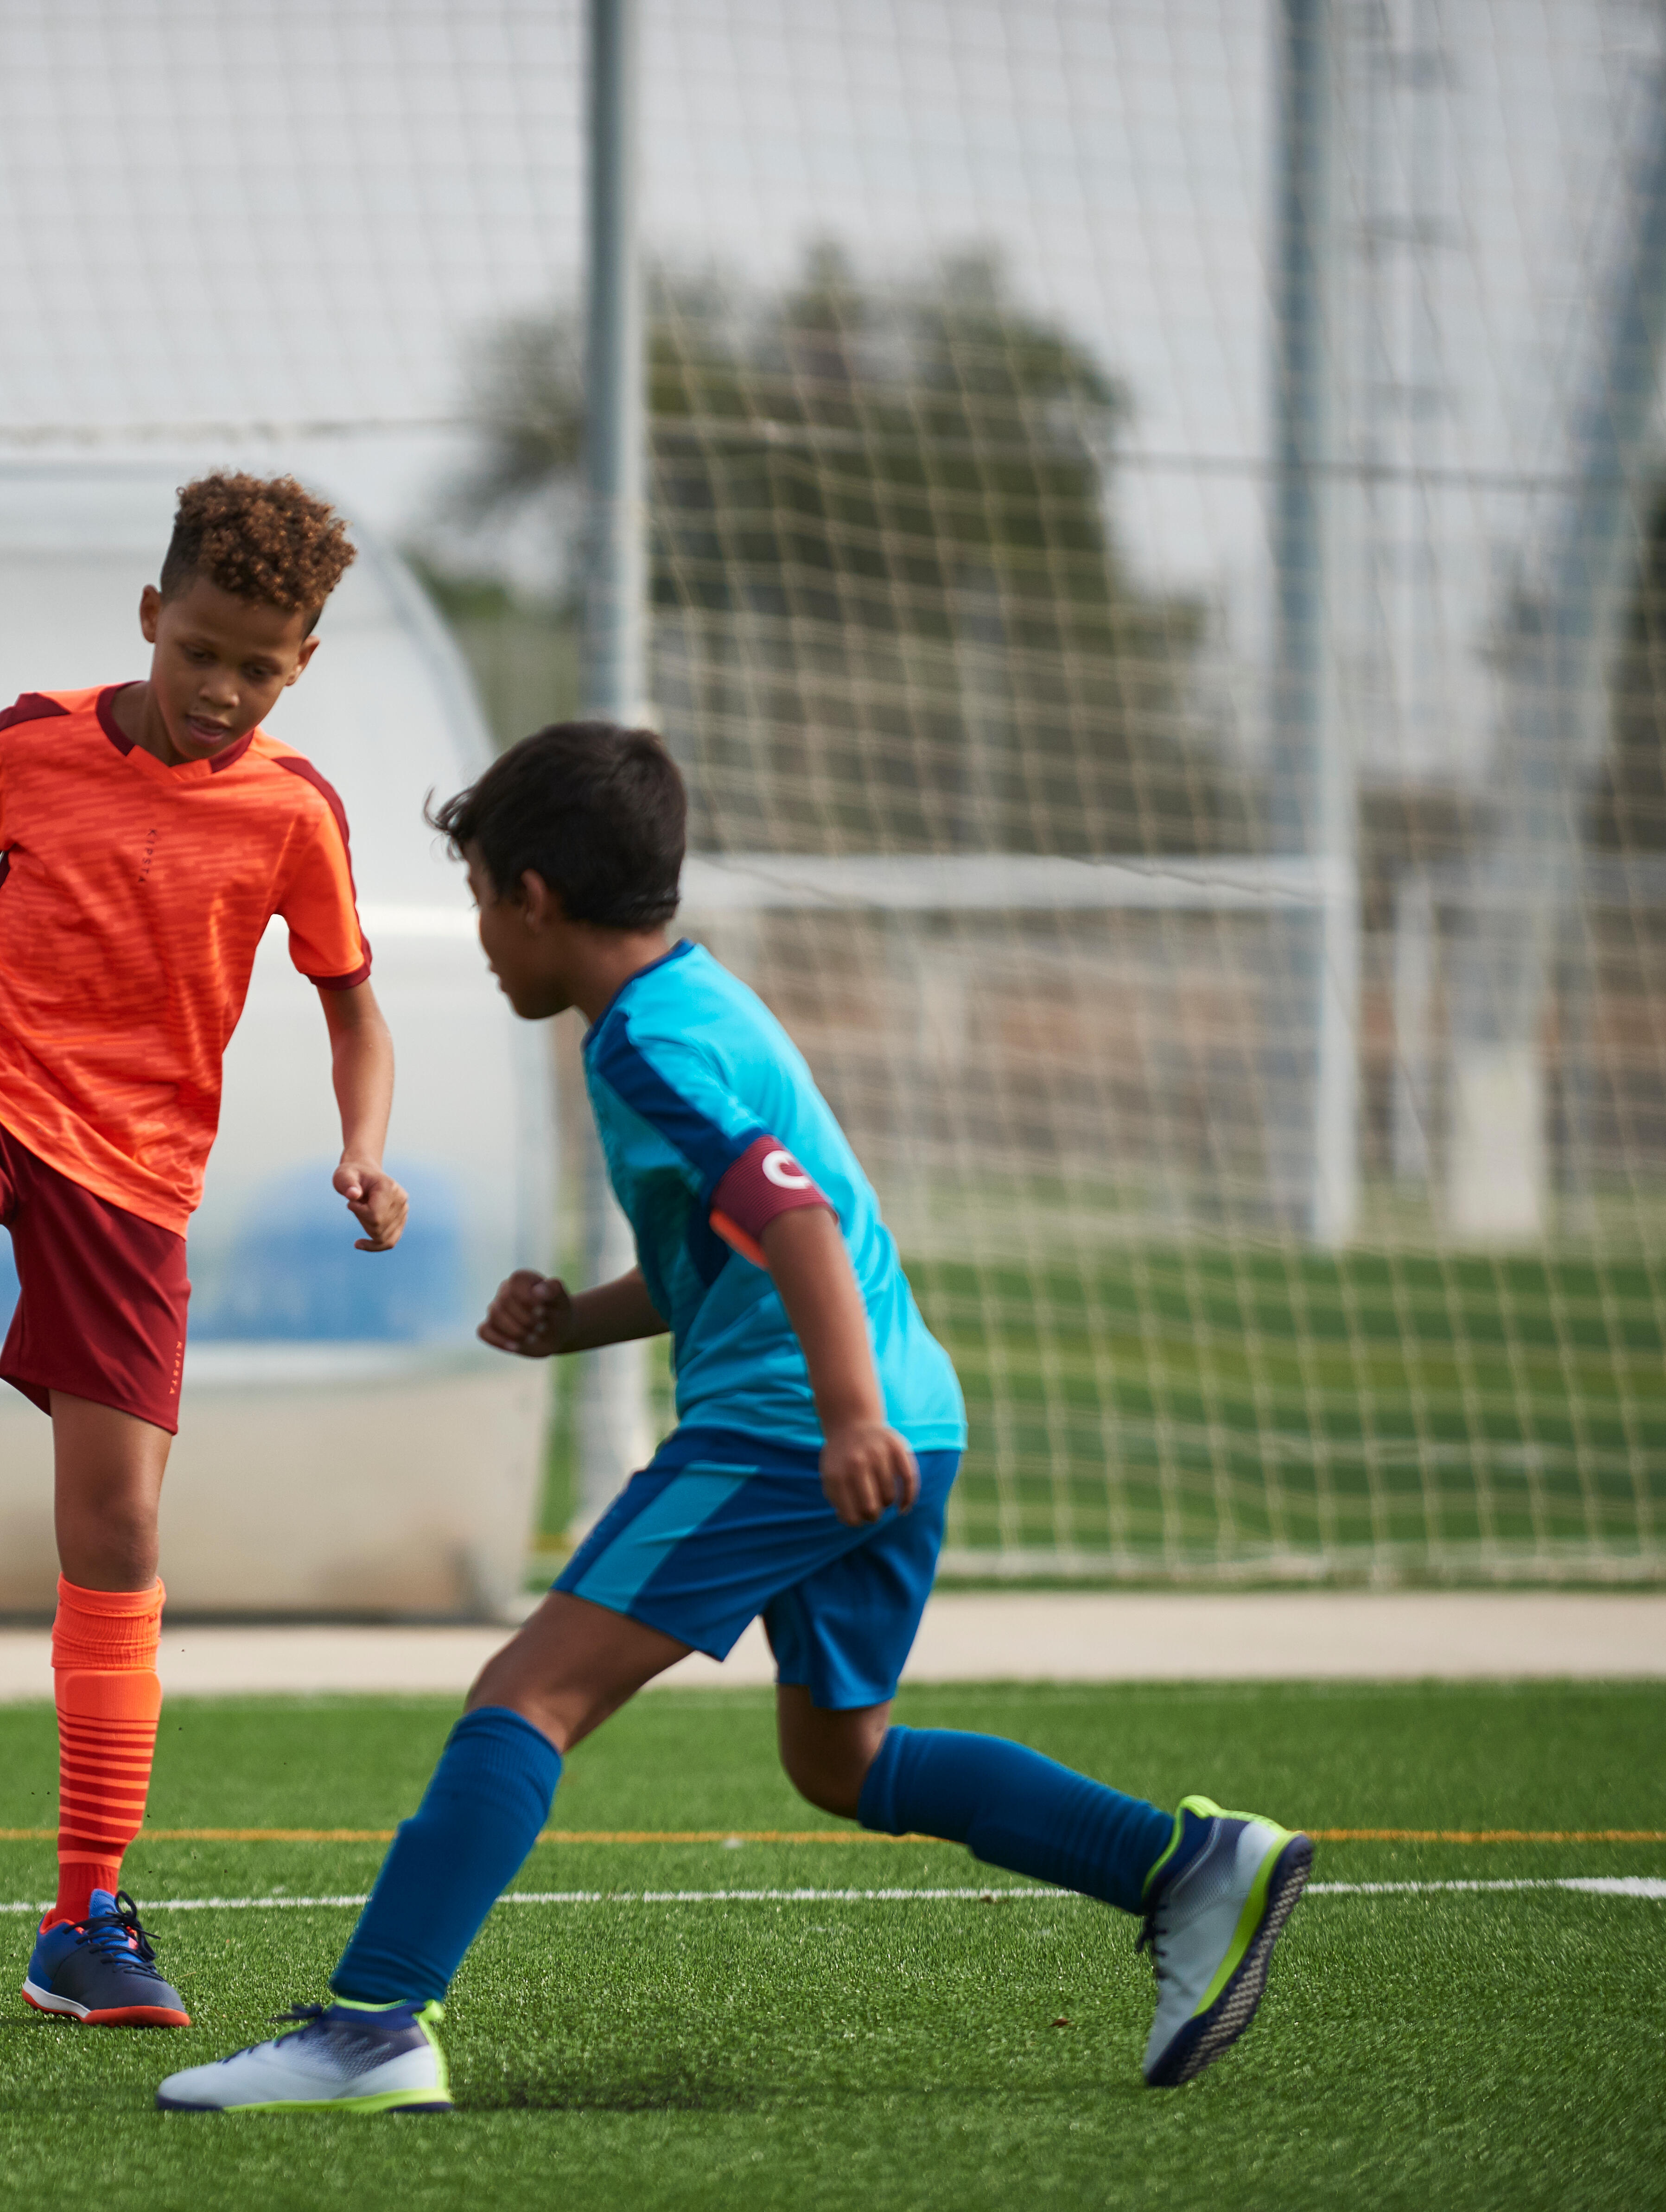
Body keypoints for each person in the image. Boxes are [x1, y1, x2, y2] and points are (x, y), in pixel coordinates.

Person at [156, 723, 1311, 2114]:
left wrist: (837, 1417)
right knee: (844, 1758)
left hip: (797, 1431)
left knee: (527, 1696)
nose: (477, 938)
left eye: (476, 901)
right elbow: (737, 1245)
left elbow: (796, 1219)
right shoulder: (699, 1003)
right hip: (906, 1416)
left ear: (532, 896)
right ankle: (1179, 1867)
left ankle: (369, 2028)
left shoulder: (644, 1044)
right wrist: (577, 1320)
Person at [0, 471, 407, 2031]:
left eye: (265, 666)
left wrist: (364, 1144)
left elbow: (350, 1000)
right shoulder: (31, 740)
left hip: (141, 1176)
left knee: (115, 1541)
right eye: (206, 654)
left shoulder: (296, 813)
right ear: (150, 618)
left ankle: (86, 1918)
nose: (227, 691)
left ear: (303, 664)